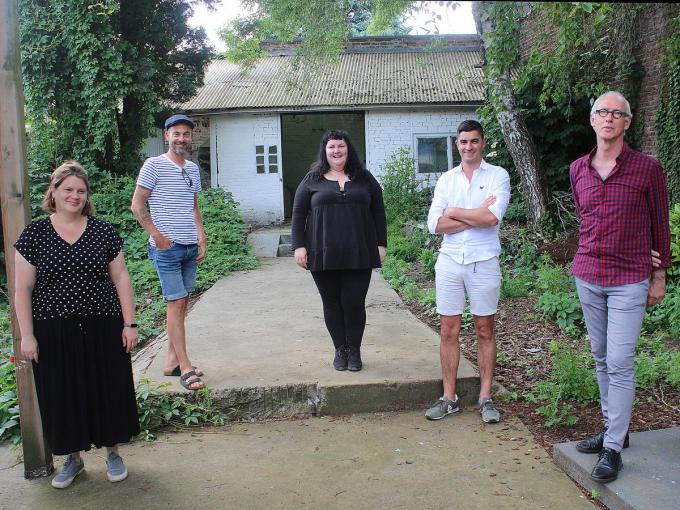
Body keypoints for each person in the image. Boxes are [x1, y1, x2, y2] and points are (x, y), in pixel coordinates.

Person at [15, 161, 140, 489]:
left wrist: (130, 323)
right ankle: (73, 459)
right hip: (53, 329)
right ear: (53, 192)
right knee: (62, 394)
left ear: (87, 196)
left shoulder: (102, 231)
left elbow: (121, 278)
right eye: (68, 189)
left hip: (103, 324)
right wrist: (27, 335)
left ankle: (113, 452)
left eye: (81, 191)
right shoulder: (34, 235)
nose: (75, 196)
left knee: (108, 388)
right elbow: (22, 289)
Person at [571, 91, 671, 483]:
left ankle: (613, 449)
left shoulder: (647, 169)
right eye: (602, 111)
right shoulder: (578, 168)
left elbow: (660, 225)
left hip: (630, 277)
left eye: (617, 113)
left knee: (619, 361)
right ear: (592, 119)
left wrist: (659, 274)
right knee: (599, 356)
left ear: (627, 122)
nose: (609, 118)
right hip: (588, 274)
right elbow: (585, 218)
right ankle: (617, 431)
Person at [425, 119, 511, 423]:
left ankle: (486, 397)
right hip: (450, 262)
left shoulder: (498, 175)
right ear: (456, 144)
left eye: (474, 141)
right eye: (463, 142)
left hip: (483, 261)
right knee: (449, 330)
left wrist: (453, 212)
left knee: (484, 329)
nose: (468, 146)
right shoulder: (446, 180)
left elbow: (492, 219)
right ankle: (449, 397)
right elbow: (435, 225)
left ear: (483, 143)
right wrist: (474, 214)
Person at [291, 129, 387, 371]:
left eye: (340, 146)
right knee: (332, 303)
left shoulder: (364, 178)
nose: (336, 151)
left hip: (360, 251)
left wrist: (381, 244)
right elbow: (298, 213)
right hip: (322, 251)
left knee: (354, 302)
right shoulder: (312, 179)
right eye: (332, 146)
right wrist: (299, 246)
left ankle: (354, 350)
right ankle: (339, 350)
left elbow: (378, 211)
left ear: (348, 149)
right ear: (325, 151)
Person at [131, 114, 206, 391]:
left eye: (186, 134)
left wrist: (201, 236)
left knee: (182, 303)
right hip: (167, 249)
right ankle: (185, 367)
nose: (181, 138)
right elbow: (137, 205)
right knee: (176, 303)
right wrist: (157, 236)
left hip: (189, 247)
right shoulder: (153, 165)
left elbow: (193, 206)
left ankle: (171, 361)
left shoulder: (193, 169)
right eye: (176, 133)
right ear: (167, 136)